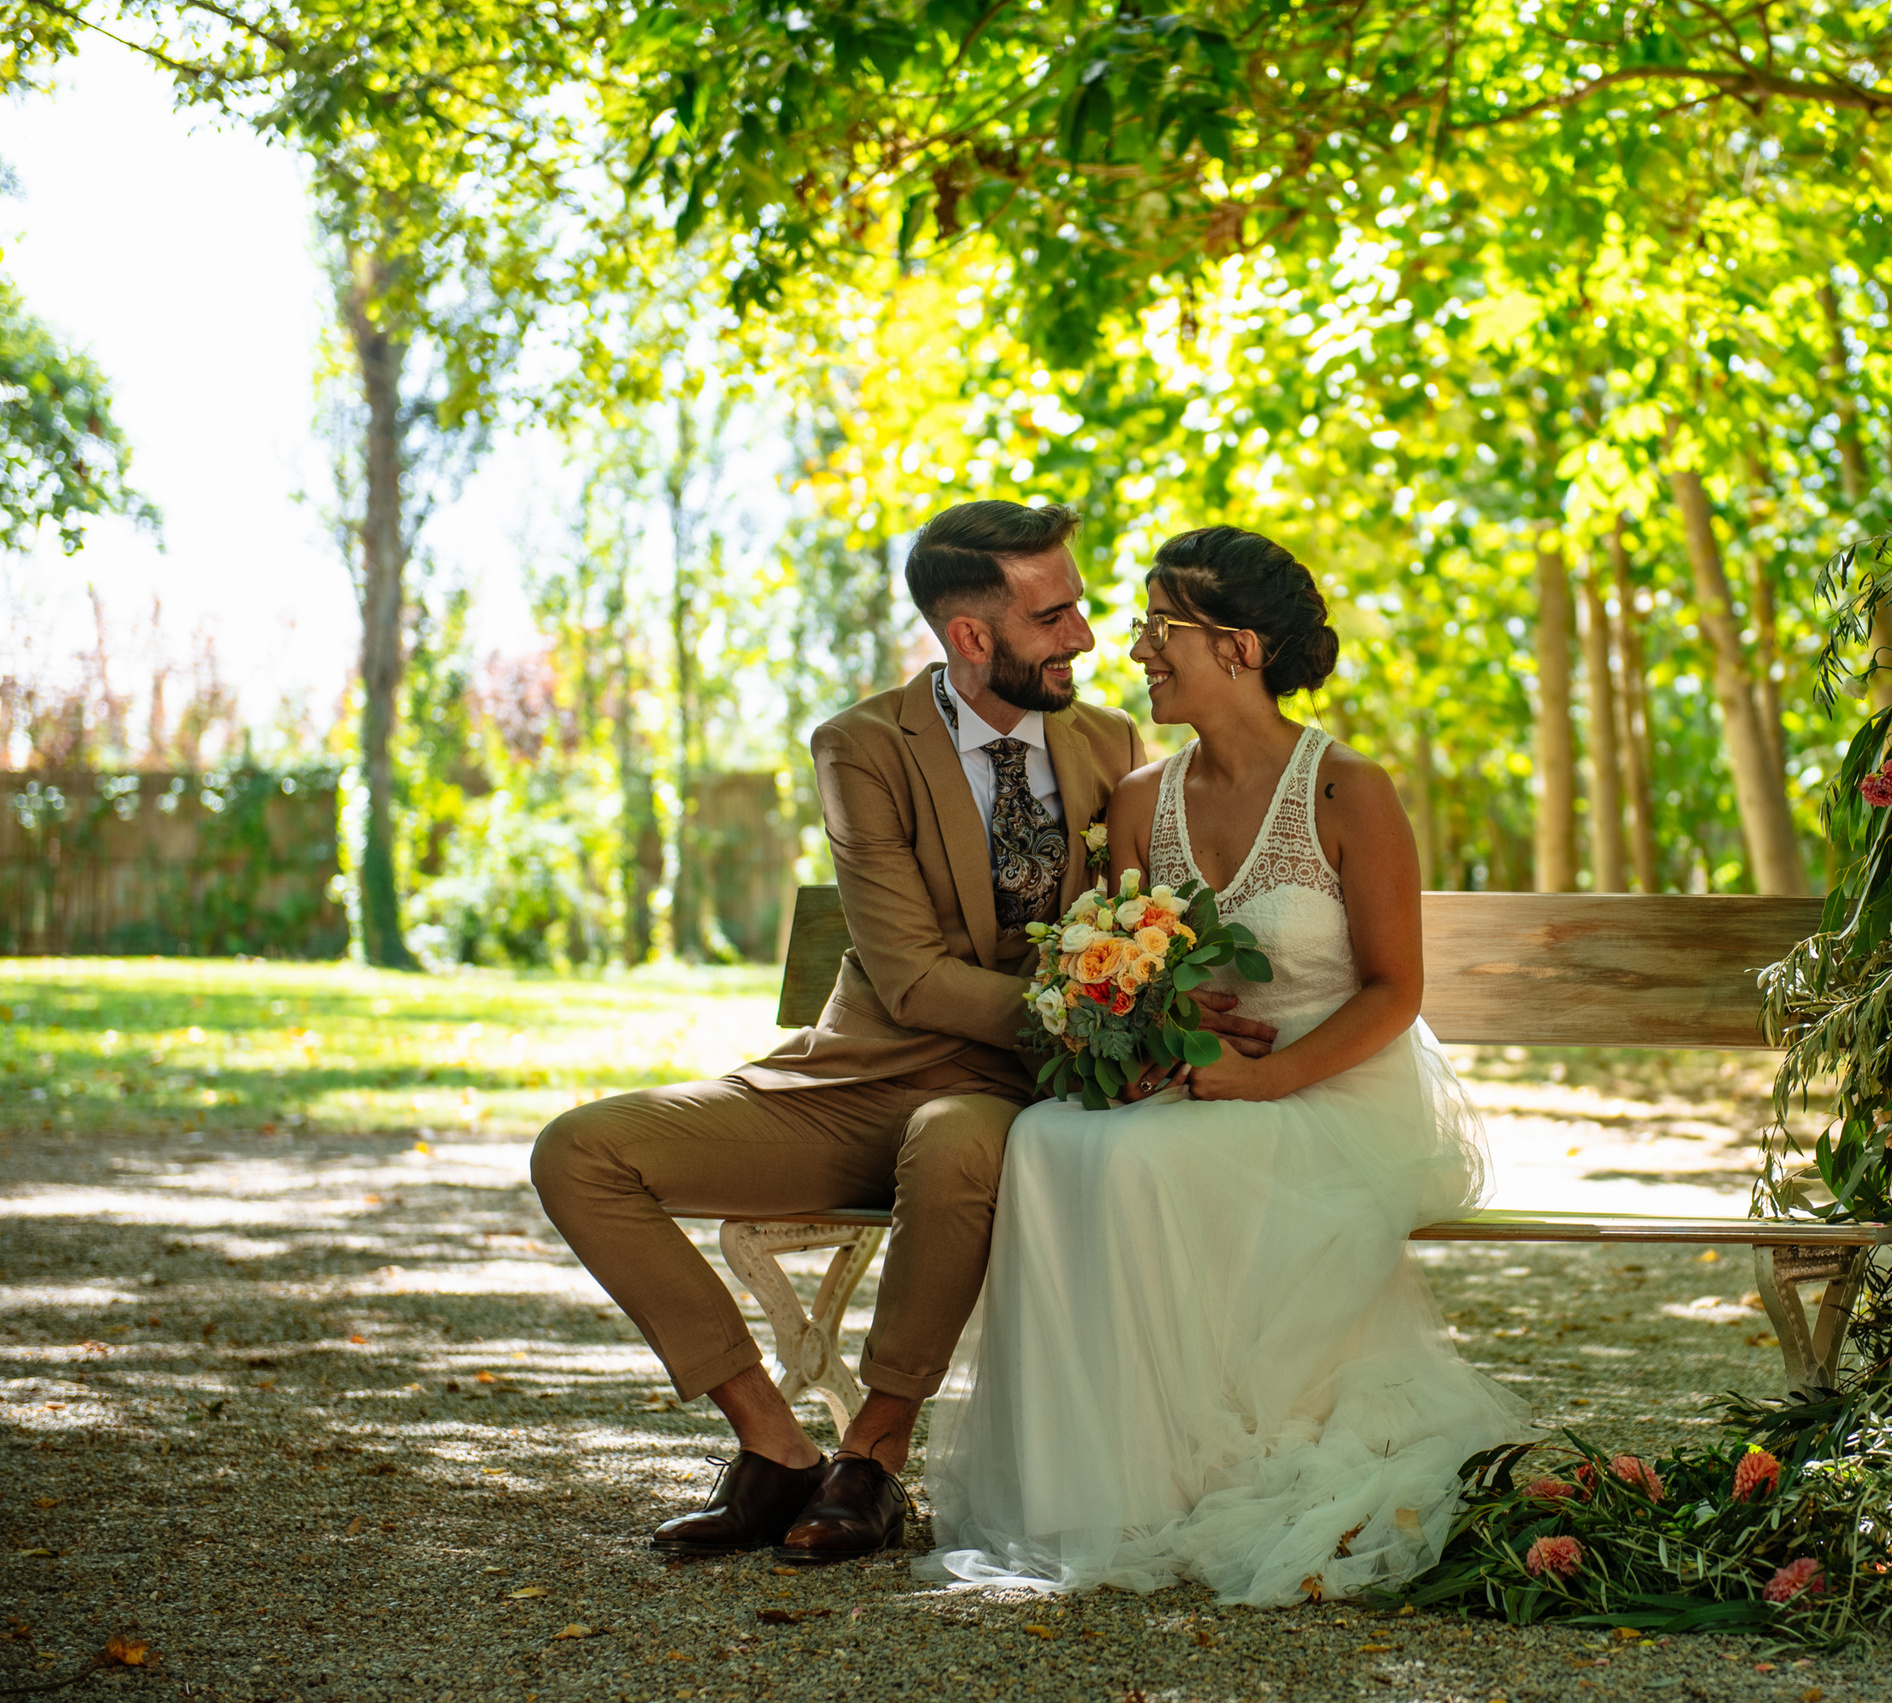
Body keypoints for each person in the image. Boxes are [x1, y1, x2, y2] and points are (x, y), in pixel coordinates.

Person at [529, 500, 1276, 1563]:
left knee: (954, 1136)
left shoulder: (1111, 742)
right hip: (859, 1080)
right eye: (1054, 613)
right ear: (972, 635)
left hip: (1016, 1094)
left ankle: (871, 1459)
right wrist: (1103, 1005)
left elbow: (1151, 913)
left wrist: (1160, 1003)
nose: (1085, 636)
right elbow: (914, 979)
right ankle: (775, 1447)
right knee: (578, 1151)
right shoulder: (863, 747)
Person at [920, 525, 1527, 1604]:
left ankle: (1191, 1473)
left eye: (1163, 628)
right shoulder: (1142, 800)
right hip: (1194, 1083)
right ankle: (1093, 1487)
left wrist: (1269, 1077)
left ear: (1239, 646)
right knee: (1048, 1136)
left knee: (1132, 1164)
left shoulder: (1349, 789)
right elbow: (1129, 962)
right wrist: (1150, 1032)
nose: (1138, 648)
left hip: (1330, 1085)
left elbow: (1395, 990)